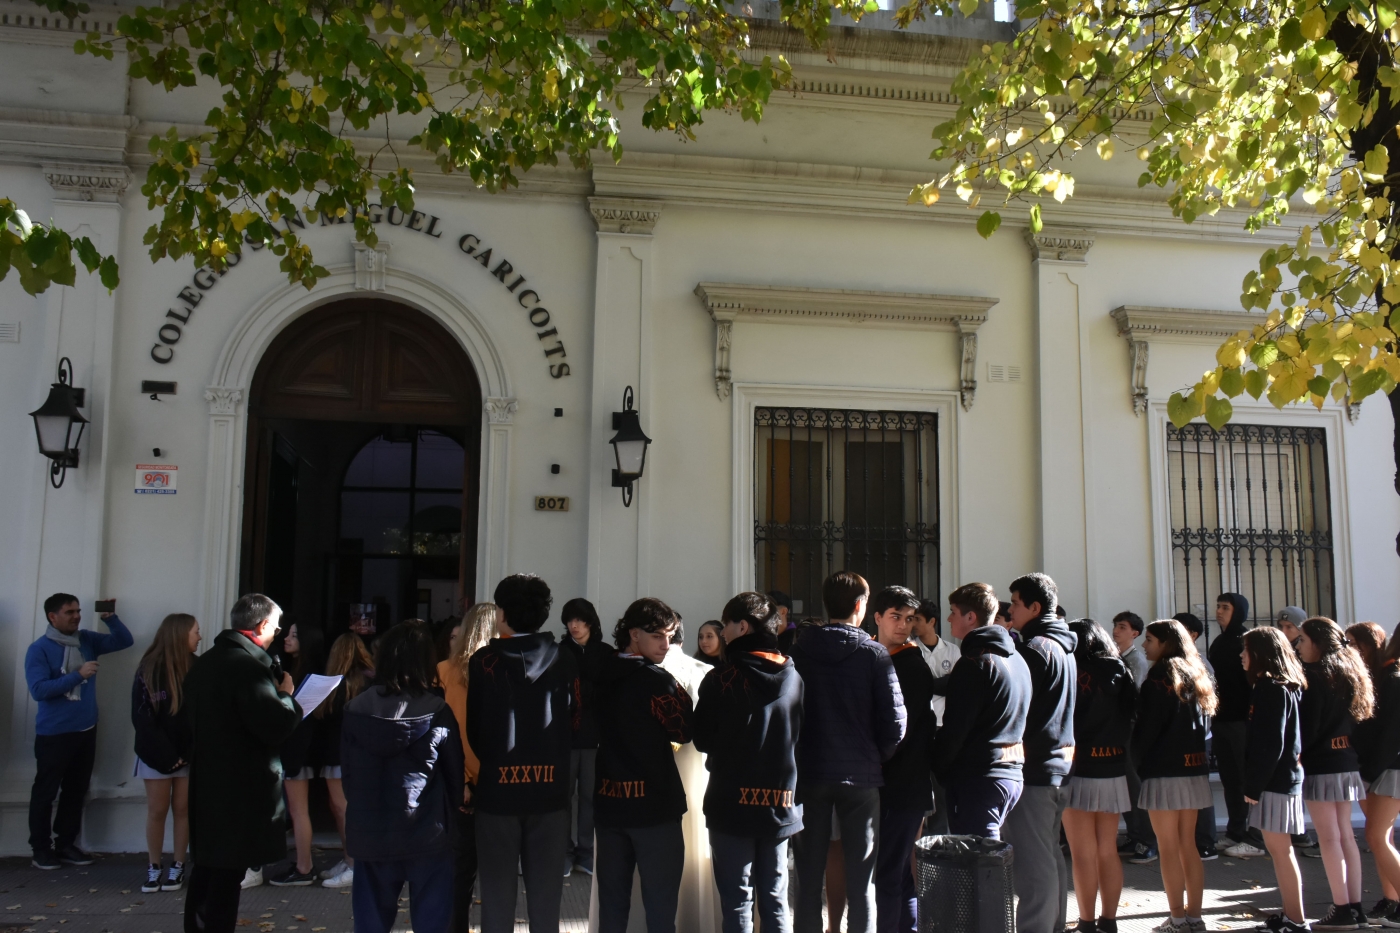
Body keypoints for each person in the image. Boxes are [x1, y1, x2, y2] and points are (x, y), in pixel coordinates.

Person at [789, 572, 906, 933]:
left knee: (807, 876)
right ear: (860, 606)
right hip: (860, 775)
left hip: (809, 773)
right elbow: (896, 723)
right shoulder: (873, 654)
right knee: (862, 881)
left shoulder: (799, 651)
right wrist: (876, 756)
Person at [183, 594, 302, 933]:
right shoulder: (246, 668)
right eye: (276, 629)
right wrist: (287, 697)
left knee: (208, 872)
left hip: (208, 783)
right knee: (224, 877)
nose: (277, 635)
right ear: (262, 625)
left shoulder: (205, 663)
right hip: (238, 789)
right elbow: (274, 725)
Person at [467, 574, 578, 933]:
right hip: (551, 789)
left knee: (497, 897)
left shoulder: (484, 661)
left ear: (502, 613)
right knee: (547, 900)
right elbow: (575, 720)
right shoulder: (565, 658)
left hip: (498, 790)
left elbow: (476, 729)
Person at [342, 620, 464, 933]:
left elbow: (349, 776)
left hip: (370, 828)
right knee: (433, 922)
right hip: (427, 828)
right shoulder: (438, 710)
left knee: (371, 923)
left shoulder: (355, 709)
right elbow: (453, 775)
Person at [694, 591, 804, 933]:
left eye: (725, 625)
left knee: (737, 903)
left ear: (742, 627)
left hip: (730, 802)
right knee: (775, 900)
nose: (722, 633)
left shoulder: (721, 679)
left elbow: (702, 738)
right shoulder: (793, 678)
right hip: (779, 803)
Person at [592, 598, 694, 933]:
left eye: (670, 635)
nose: (667, 644)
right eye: (658, 636)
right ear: (634, 634)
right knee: (661, 908)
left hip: (609, 802)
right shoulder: (656, 681)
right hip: (654, 807)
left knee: (612, 905)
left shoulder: (598, 672)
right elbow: (684, 728)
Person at [26, 593, 134, 870]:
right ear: (53, 617)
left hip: (85, 729)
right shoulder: (39, 649)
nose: (76, 616)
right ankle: (40, 849)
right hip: (54, 733)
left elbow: (124, 641)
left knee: (76, 790)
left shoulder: (86, 639)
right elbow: (38, 690)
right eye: (69, 612)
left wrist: (110, 617)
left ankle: (66, 844)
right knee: (45, 792)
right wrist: (77, 675)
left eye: (78, 611)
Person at [1002, 573, 1077, 933]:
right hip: (1060, 765)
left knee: (1033, 867)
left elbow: (1019, 708)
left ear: (1034, 607)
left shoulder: (1033, 650)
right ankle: (1054, 926)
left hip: (1035, 768)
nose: (1010, 609)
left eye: (1015, 603)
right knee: (1049, 857)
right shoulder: (1063, 647)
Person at [1132, 619, 1217, 933]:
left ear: (1166, 642)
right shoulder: (1196, 672)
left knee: (1168, 847)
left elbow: (1148, 727)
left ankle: (1177, 919)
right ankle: (1194, 917)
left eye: (1150, 639)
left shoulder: (1159, 675)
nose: (1145, 645)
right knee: (1188, 846)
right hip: (1193, 769)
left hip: (1163, 770)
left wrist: (1137, 761)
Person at [930, 582, 1030, 839]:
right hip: (1010, 772)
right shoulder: (1017, 658)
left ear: (971, 617)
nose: (949, 618)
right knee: (987, 861)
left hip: (980, 778)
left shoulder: (975, 663)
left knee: (980, 864)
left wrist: (939, 768)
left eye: (953, 611)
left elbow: (956, 727)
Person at [1298, 617, 1375, 929]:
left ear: (1318, 641)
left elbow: (1309, 727)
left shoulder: (1315, 677)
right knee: (1345, 836)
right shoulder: (1350, 671)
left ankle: (1341, 908)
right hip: (1346, 762)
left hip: (1322, 765)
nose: (1298, 645)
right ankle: (1354, 906)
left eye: (1302, 639)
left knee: (1329, 838)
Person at [1063, 619, 1136, 933]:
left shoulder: (1071, 670)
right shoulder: (1121, 669)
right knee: (1108, 849)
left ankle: (1086, 922)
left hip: (1078, 767)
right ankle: (1109, 920)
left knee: (1082, 853)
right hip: (1113, 766)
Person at [870, 586, 936, 933]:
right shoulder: (876, 657)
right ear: (878, 617)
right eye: (896, 617)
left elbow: (902, 734)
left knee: (890, 873)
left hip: (902, 783)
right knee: (895, 872)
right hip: (890, 784)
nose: (903, 625)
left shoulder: (909, 665)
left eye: (909, 619)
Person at [1240, 626, 1308, 933]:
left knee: (1281, 852)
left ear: (1261, 654)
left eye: (1246, 650)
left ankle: (1296, 920)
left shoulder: (1271, 688)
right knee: (1281, 851)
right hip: (1281, 780)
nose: (1242, 655)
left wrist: (1253, 786)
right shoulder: (1282, 686)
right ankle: (1291, 915)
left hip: (1276, 782)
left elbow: (1272, 743)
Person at [437, 602, 497, 929]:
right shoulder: (500, 672)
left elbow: (443, 732)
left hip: (457, 780)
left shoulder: (444, 671)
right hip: (495, 780)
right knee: (497, 873)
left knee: (459, 871)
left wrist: (458, 780)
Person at [131, 612, 200, 893]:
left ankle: (179, 864)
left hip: (187, 755)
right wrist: (167, 756)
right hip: (155, 754)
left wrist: (186, 753)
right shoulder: (148, 668)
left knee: (183, 809)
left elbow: (199, 716)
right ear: (179, 634)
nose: (199, 636)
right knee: (157, 810)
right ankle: (154, 866)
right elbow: (142, 718)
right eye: (195, 631)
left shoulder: (197, 667)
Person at [1349, 622, 1400, 926]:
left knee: (1376, 836)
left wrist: (1368, 772)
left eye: (1355, 642)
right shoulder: (1385, 675)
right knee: (1380, 836)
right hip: (1381, 767)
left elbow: (1391, 735)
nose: (1350, 648)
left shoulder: (1393, 678)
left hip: (1387, 769)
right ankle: (1390, 900)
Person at [316, 631, 375, 889]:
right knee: (344, 807)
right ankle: (349, 859)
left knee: (341, 808)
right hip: (356, 754)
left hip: (337, 753)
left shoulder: (335, 685)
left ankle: (353, 863)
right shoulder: (369, 682)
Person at [558, 597, 611, 878]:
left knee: (591, 797)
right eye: (569, 620)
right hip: (564, 737)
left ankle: (587, 853)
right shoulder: (559, 651)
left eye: (579, 620)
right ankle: (565, 852)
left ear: (590, 622)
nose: (574, 625)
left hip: (595, 737)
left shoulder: (605, 653)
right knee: (563, 797)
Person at [1209, 592, 1263, 858]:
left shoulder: (1248, 640)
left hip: (1242, 721)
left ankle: (1255, 836)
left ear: (1238, 611)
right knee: (1229, 779)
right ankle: (1234, 832)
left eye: (1226, 608)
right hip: (1221, 719)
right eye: (1218, 607)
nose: (1219, 611)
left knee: (1244, 780)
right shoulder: (1219, 642)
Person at [271, 622, 326, 886]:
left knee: (298, 810)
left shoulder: (308, 675)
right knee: (296, 810)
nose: (286, 638)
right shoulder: (300, 671)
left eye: (295, 634)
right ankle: (303, 864)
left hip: (298, 752)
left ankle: (304, 867)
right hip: (297, 751)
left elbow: (300, 718)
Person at [1174, 612, 1220, 860]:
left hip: (1200, 737)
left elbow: (1205, 704)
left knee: (1199, 789)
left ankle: (1206, 842)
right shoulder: (1176, 662)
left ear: (1192, 635)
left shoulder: (1200, 663)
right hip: (1188, 736)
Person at [910, 597, 956, 834]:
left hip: (942, 726)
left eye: (917, 619)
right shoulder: (909, 650)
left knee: (941, 786)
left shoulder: (952, 651)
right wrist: (938, 683)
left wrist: (929, 683)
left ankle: (938, 834)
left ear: (932, 621)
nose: (913, 624)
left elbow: (955, 686)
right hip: (919, 726)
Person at [1113, 612, 1150, 685]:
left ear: (1134, 634)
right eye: (1115, 626)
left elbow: (1134, 690)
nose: (1115, 631)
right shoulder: (1109, 654)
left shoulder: (1137, 660)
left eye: (1122, 627)